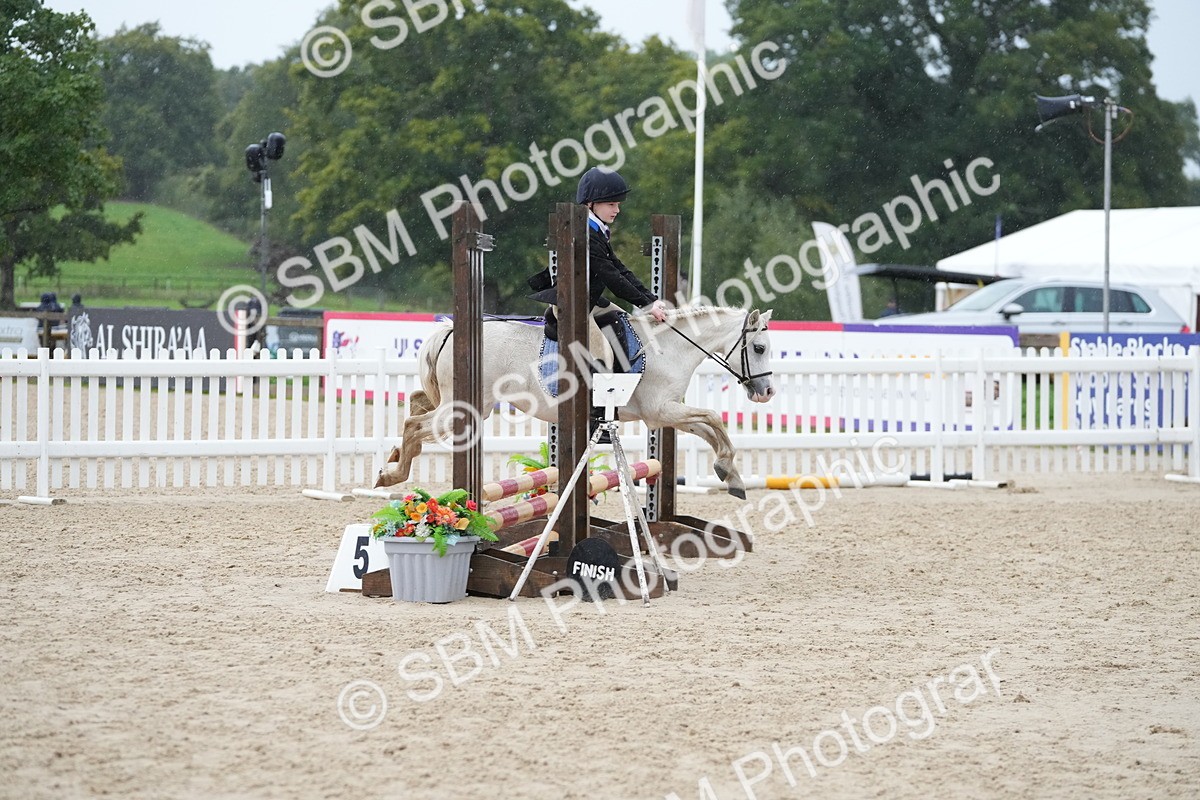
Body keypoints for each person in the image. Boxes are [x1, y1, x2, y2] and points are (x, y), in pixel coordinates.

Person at [527, 166, 668, 440]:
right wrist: (646, 304)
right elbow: (611, 276)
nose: (617, 210)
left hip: (589, 300)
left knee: (623, 320)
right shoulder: (587, 232)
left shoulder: (598, 229)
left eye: (617, 204)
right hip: (572, 306)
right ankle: (594, 419)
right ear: (591, 204)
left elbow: (619, 268)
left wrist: (649, 300)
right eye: (611, 204)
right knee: (602, 353)